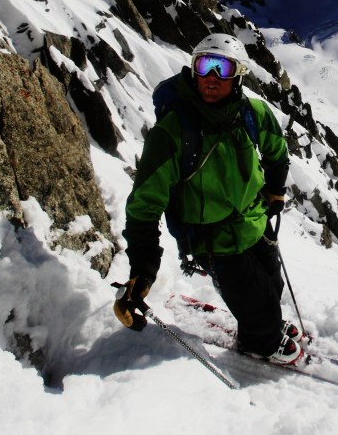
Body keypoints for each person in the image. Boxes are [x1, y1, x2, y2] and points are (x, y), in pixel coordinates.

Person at [113, 32, 302, 365]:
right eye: (204, 66)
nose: (211, 78)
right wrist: (142, 270)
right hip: (212, 238)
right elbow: (145, 205)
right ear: (193, 69)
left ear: (238, 75)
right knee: (258, 303)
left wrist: (274, 190)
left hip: (253, 220)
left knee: (272, 286)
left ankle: (263, 323)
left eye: (222, 69)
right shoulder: (173, 131)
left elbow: (277, 151)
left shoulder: (252, 114)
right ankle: (262, 341)